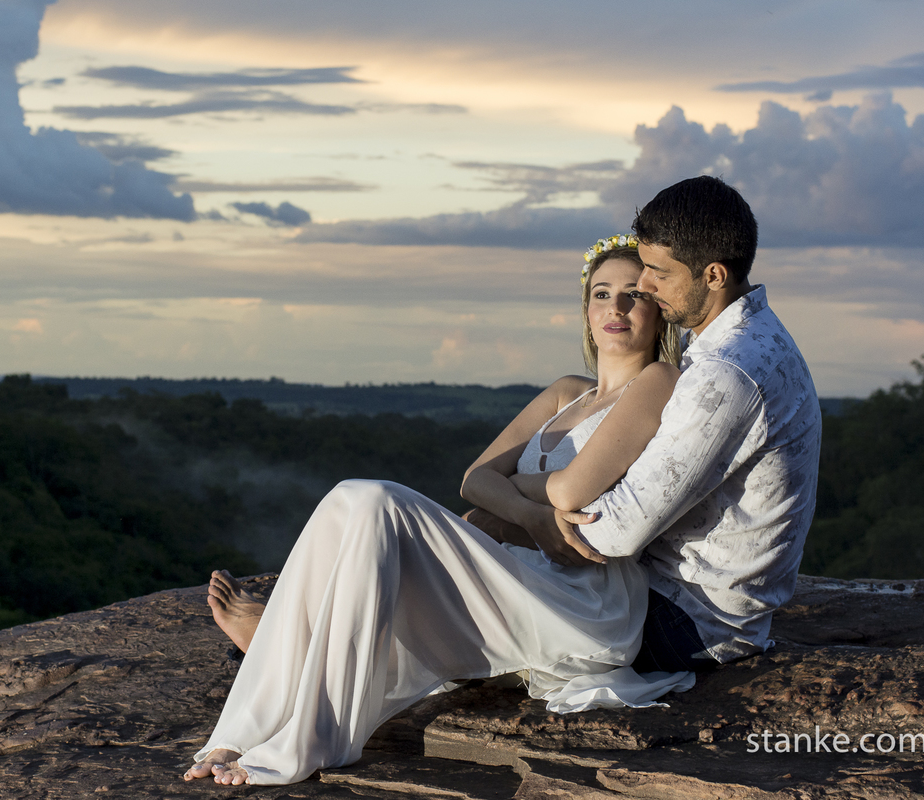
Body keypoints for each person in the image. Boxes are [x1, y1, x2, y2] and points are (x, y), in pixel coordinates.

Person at [183, 239, 694, 787]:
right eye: (602, 294)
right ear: (586, 310)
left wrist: (511, 495)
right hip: (519, 571)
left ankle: (312, 730)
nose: (616, 308)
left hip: (583, 599)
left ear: (658, 307)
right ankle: (243, 724)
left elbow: (569, 491)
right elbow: (474, 480)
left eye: (634, 294)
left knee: (378, 502)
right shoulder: (566, 392)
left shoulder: (659, 382)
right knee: (346, 499)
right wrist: (530, 516)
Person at [555, 176, 822, 673]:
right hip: (680, 601)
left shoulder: (726, 372)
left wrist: (533, 508)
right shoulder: (756, 336)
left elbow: (614, 534)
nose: (644, 285)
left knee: (453, 590)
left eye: (658, 272)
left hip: (688, 622)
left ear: (714, 275)